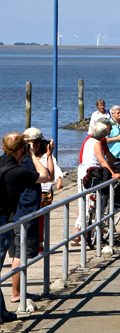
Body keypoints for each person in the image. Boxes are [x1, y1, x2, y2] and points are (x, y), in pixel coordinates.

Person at [0, 132, 54, 322]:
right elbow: (46, 176)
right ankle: (2, 312)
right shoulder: (19, 171)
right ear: (22, 148)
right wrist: (33, 154)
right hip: (4, 219)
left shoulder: (2, 163)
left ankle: (2, 312)